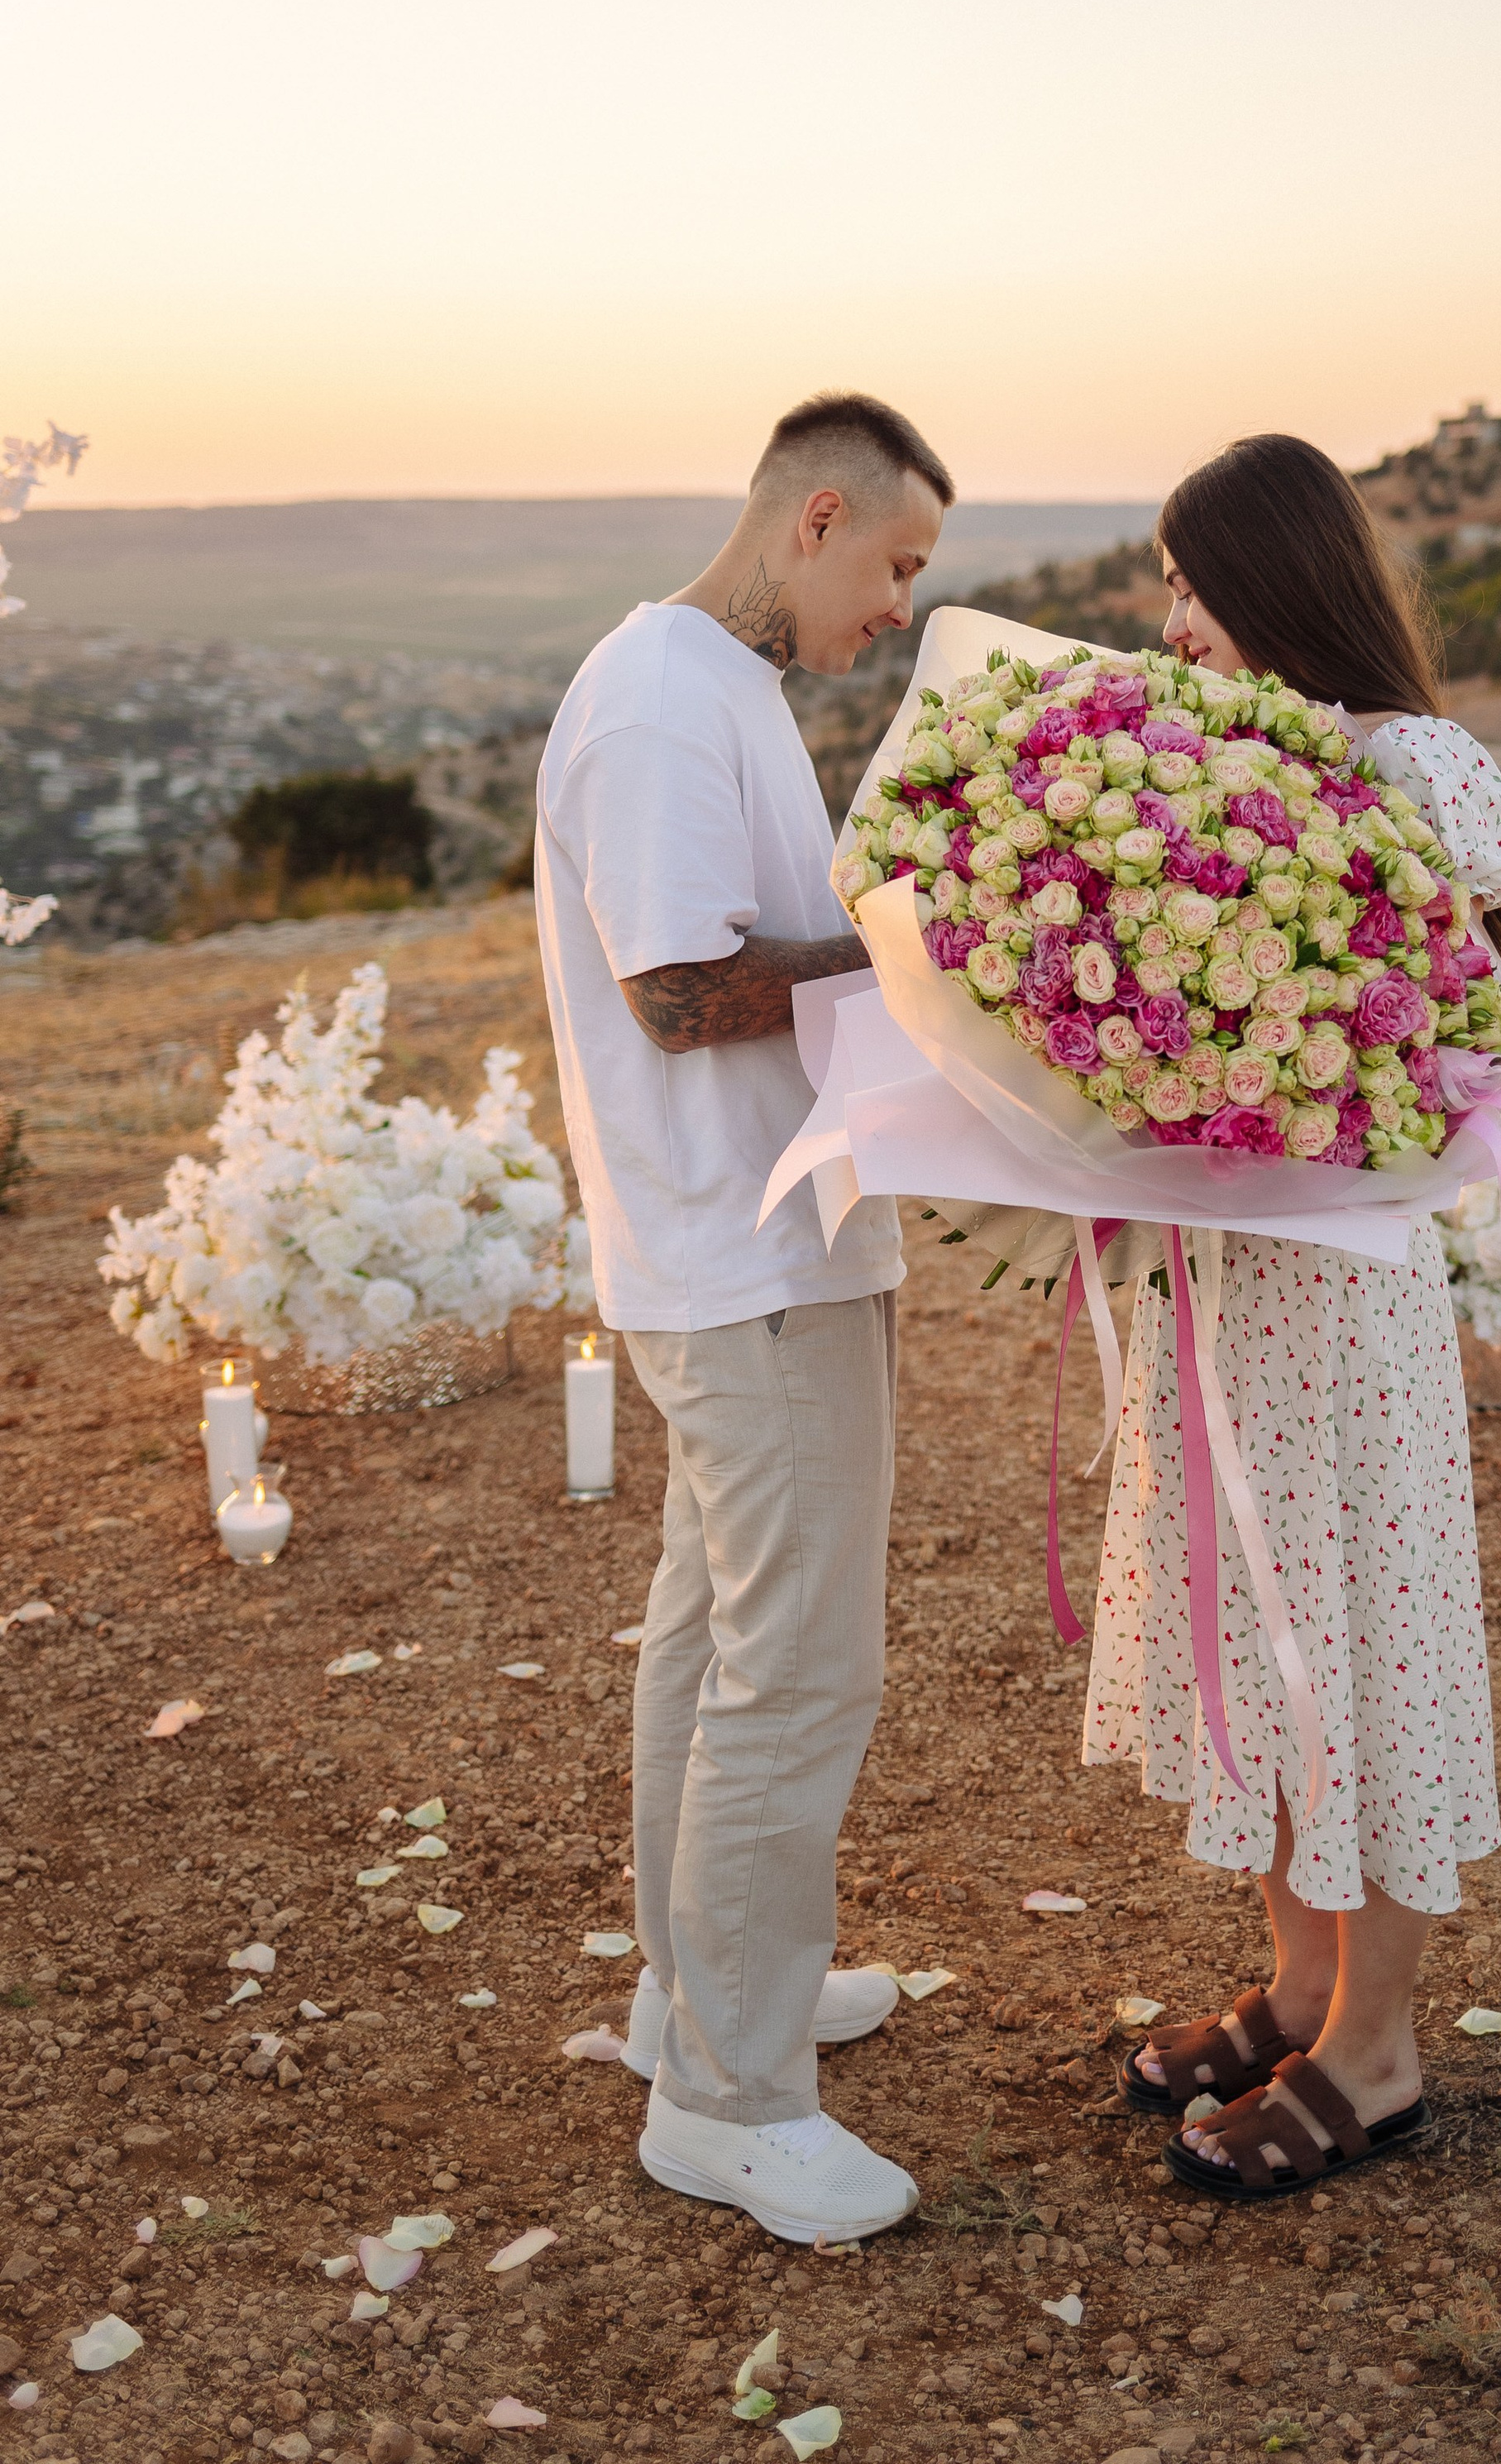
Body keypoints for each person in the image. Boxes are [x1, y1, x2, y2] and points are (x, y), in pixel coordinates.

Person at [1084, 432, 1501, 2198]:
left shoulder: (1416, 761)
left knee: (1362, 1642)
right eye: (1165, 585)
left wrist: (1276, 1071)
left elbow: (1468, 1024)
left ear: (1272, 580)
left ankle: (1380, 2047)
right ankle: (1296, 1981)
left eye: (1191, 581)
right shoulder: (1187, 761)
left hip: (1344, 1286)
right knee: (1258, 1640)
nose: (1171, 618)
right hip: (1217, 1277)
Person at [534, 389, 953, 2244]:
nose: (899, 609)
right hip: (744, 1264)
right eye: (897, 565)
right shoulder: (654, 703)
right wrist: (937, 937)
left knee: (711, 1646)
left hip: (765, 1248)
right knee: (794, 1671)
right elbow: (684, 991)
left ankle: (690, 1999)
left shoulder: (725, 694)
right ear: (817, 518)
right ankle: (728, 2097)